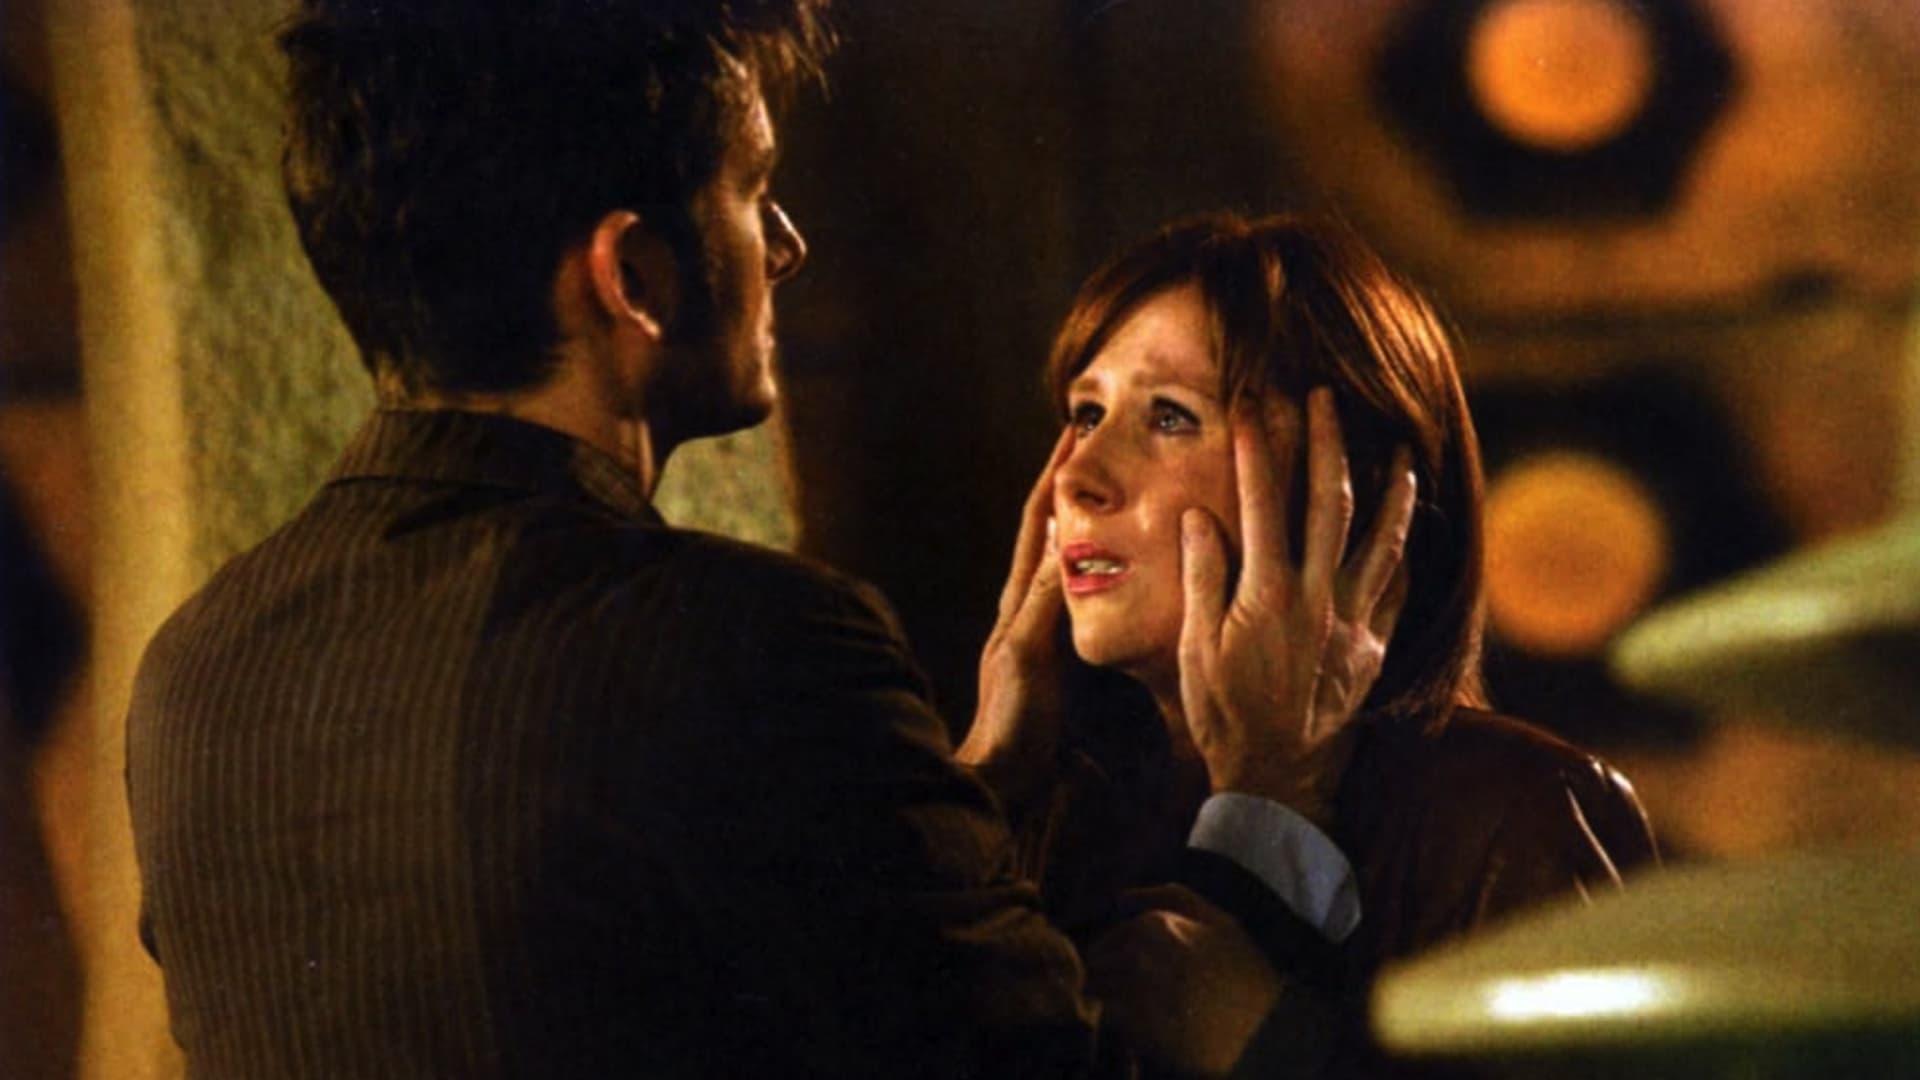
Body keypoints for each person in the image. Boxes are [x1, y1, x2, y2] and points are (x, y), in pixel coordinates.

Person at [124, 5, 1406, 1077]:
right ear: (635, 278)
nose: (785, 246)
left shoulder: (196, 667)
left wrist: (969, 787)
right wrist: (1267, 802)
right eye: (751, 191)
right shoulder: (750, 648)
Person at [968, 213, 1660, 1068]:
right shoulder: (1047, 815)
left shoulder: (1517, 818)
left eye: (1170, 417)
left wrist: (1276, 1046)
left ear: (1349, 493)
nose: (1077, 476)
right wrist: (978, 785)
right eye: (1086, 412)